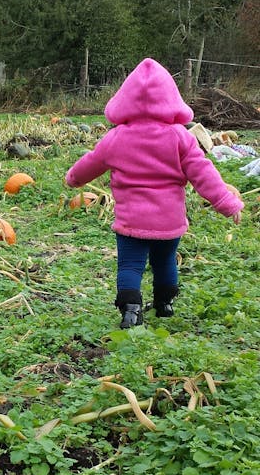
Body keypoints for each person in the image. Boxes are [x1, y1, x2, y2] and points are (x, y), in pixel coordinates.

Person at [64, 57, 244, 329]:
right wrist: (227, 203)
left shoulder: (116, 137)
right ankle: (165, 304)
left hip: (130, 222)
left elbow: (91, 163)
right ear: (172, 99)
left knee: (130, 266)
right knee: (165, 262)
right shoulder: (180, 137)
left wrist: (73, 179)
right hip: (168, 221)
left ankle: (131, 311)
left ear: (125, 99)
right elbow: (203, 173)